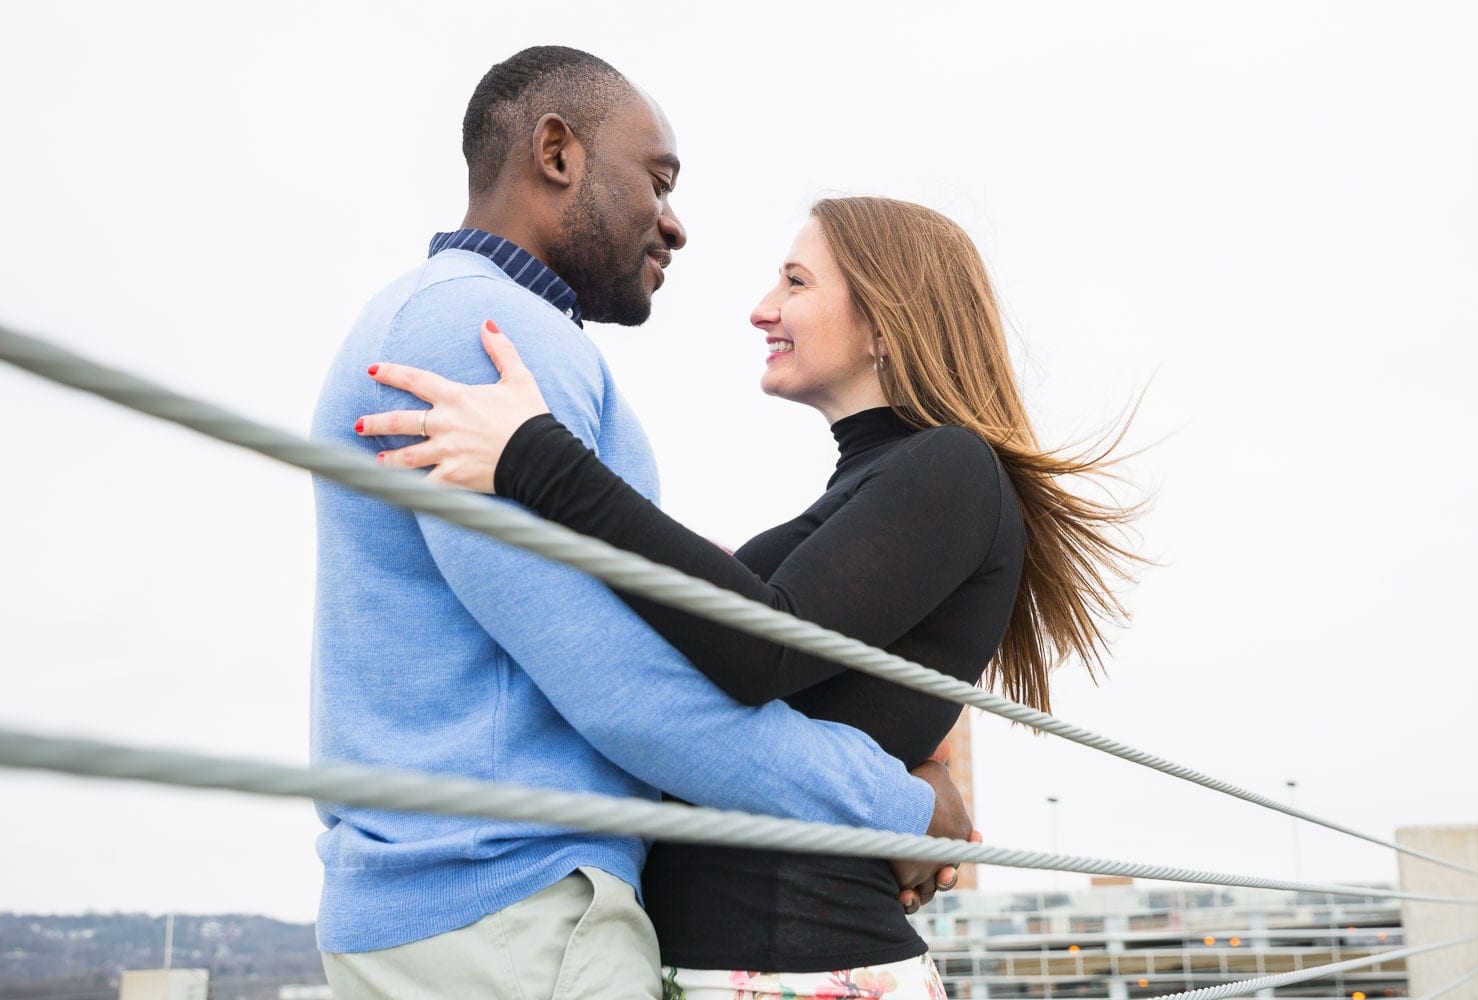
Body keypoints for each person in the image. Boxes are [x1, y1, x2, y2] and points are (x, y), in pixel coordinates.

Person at [357, 196, 1144, 998]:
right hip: (744, 967)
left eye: (796, 282)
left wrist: (542, 460)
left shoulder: (949, 469)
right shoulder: (877, 488)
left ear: (886, 324)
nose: (762, 308)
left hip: (801, 970)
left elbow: (762, 646)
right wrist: (912, 785)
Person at [310, 47, 971, 1000]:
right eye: (657, 180)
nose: (675, 224)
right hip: (513, 911)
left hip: (474, 908)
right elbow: (633, 693)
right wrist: (897, 804)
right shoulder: (478, 337)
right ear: (556, 153)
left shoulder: (448, 320)